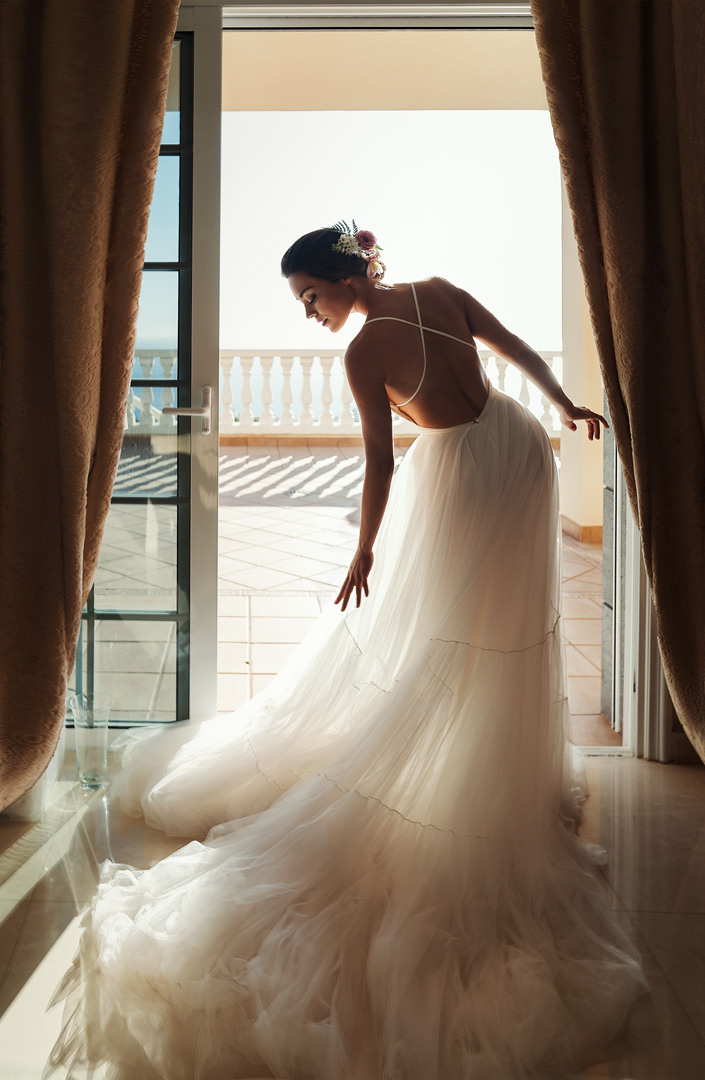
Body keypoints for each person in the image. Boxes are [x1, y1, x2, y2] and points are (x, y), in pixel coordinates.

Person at [50, 224, 646, 1080]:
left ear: (342, 277)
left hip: (468, 472)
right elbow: (511, 349)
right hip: (516, 448)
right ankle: (489, 750)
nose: (310, 315)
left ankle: (466, 756)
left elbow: (377, 460)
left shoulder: (364, 353)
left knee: (459, 628)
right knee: (501, 626)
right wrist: (562, 407)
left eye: (310, 297)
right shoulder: (438, 291)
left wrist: (364, 551)